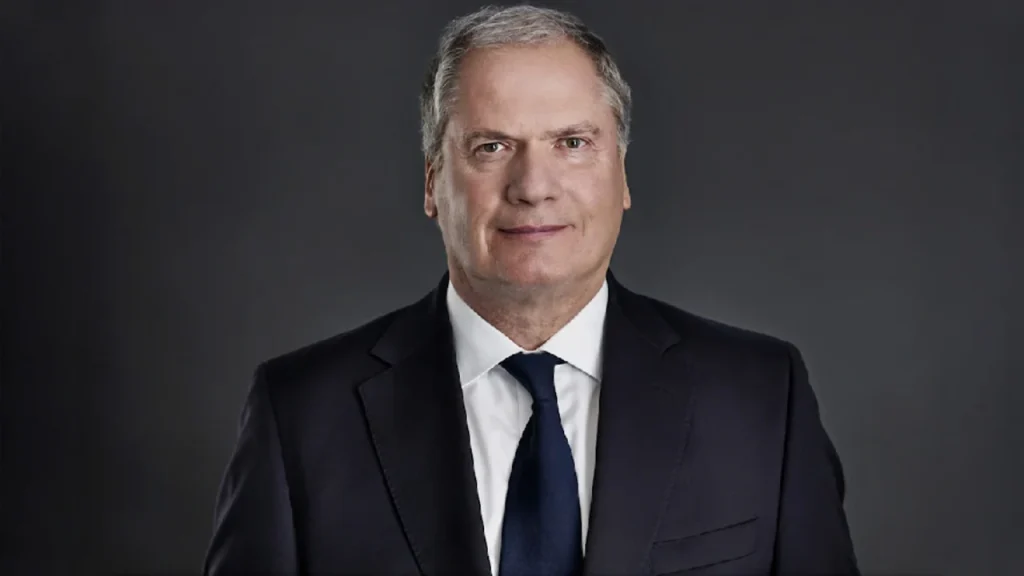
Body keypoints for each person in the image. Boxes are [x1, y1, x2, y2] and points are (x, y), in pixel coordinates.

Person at [203, 5, 860, 576]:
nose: (534, 186)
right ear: (433, 184)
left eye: (572, 143)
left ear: (622, 177)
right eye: (491, 147)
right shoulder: (301, 414)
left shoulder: (762, 399)